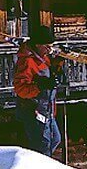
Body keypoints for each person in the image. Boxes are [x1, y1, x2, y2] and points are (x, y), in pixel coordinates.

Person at [14, 25, 64, 157]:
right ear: (37, 45)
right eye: (47, 46)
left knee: (55, 139)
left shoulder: (43, 57)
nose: (50, 49)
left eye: (51, 46)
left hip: (47, 109)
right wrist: (40, 86)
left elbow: (48, 71)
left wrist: (58, 66)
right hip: (34, 110)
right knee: (43, 145)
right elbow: (20, 89)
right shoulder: (27, 61)